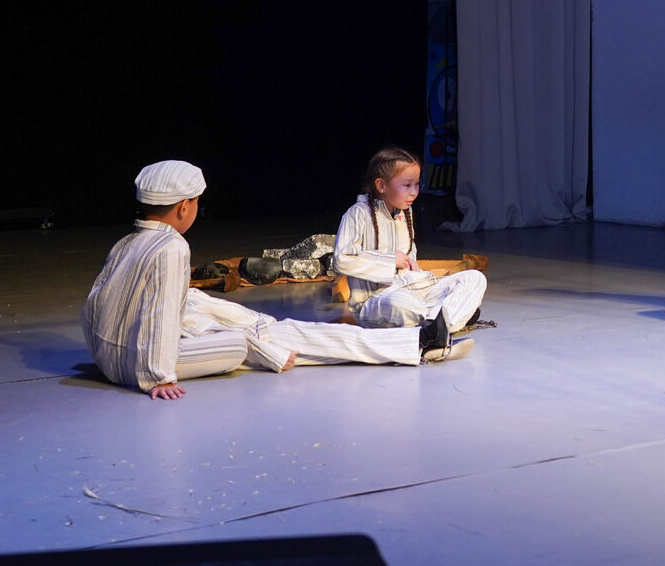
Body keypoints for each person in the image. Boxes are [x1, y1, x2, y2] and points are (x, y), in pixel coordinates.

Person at [82, 161, 473, 400]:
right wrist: (156, 377)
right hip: (142, 364)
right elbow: (161, 314)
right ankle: (417, 345)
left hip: (113, 357)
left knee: (236, 316)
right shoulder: (171, 247)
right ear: (184, 207)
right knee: (274, 340)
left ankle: (413, 342)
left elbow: (97, 306)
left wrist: (105, 356)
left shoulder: (130, 241)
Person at [333, 146, 485, 332]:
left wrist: (413, 266)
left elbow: (409, 253)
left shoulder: (405, 211)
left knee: (474, 278)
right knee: (399, 303)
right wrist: (391, 260)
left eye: (417, 184)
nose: (414, 192)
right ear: (381, 185)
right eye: (407, 185)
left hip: (413, 288)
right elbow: (342, 260)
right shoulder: (358, 214)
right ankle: (448, 318)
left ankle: (438, 322)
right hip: (377, 300)